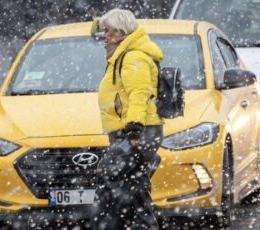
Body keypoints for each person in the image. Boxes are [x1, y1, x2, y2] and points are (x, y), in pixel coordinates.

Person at [91, 8, 164, 230]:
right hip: (132, 132)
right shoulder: (122, 54)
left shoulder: (133, 57)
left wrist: (134, 129)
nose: (105, 36)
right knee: (134, 189)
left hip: (137, 131)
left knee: (114, 180)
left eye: (110, 31)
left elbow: (139, 93)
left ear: (123, 32)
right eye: (104, 31)